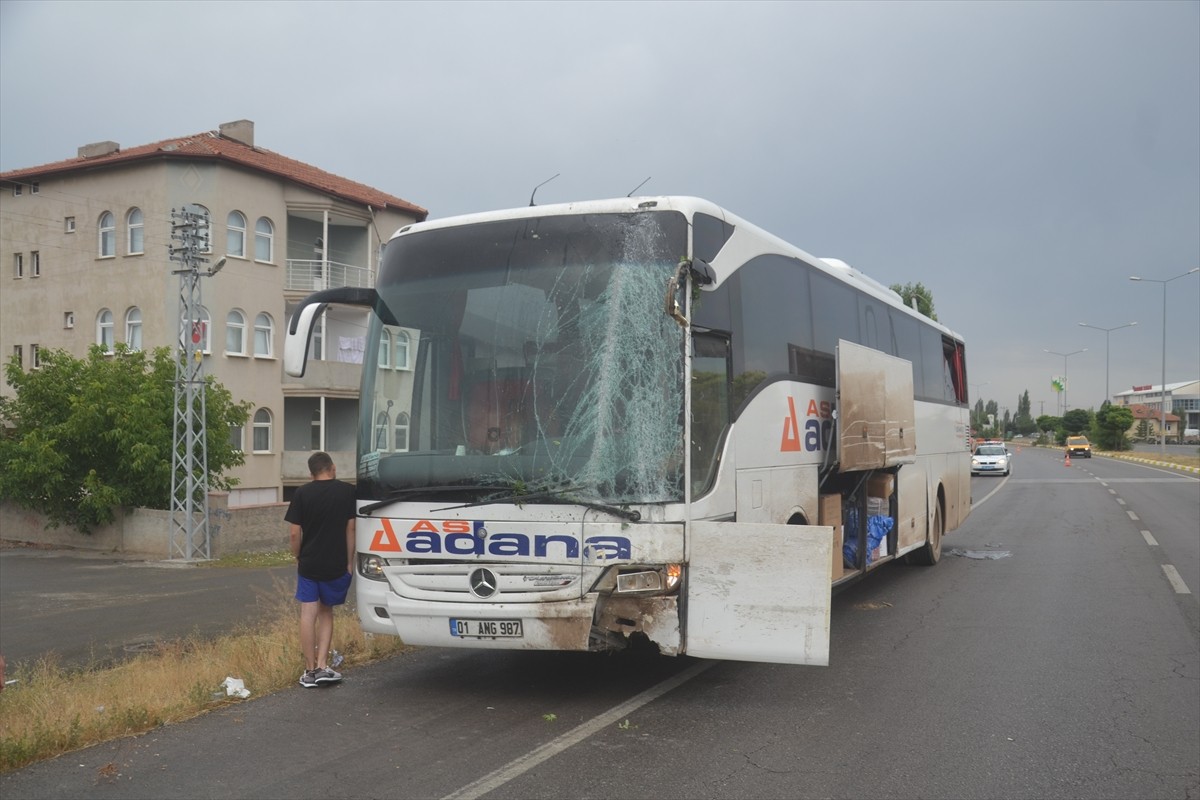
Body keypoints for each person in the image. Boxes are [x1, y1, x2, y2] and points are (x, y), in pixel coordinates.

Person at [284, 451, 356, 688]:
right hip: (335, 563)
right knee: (326, 612)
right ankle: (324, 665)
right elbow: (351, 530)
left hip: (309, 563)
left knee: (308, 613)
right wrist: (349, 561)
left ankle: (310, 671)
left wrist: (297, 556)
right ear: (332, 468)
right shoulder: (347, 492)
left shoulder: (302, 493)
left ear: (311, 473)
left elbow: (295, 533)